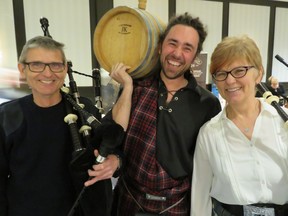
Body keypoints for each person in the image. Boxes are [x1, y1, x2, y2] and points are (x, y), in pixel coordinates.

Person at [85, 13, 222, 215]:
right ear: (160, 46)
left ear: (195, 56)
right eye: (172, 43)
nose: (177, 53)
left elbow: (208, 165)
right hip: (129, 201)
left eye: (187, 48)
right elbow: (114, 138)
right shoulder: (135, 88)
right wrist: (115, 159)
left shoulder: (207, 104)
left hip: (177, 206)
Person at [0, 36, 124, 216]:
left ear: (65, 69)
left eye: (56, 65)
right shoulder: (6, 116)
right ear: (22, 69)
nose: (48, 73)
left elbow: (115, 149)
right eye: (37, 64)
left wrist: (116, 162)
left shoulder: (85, 110)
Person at [191, 35, 288, 216]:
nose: (229, 80)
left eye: (239, 70)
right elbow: (200, 196)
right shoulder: (209, 134)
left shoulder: (283, 122)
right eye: (221, 73)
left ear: (259, 73)